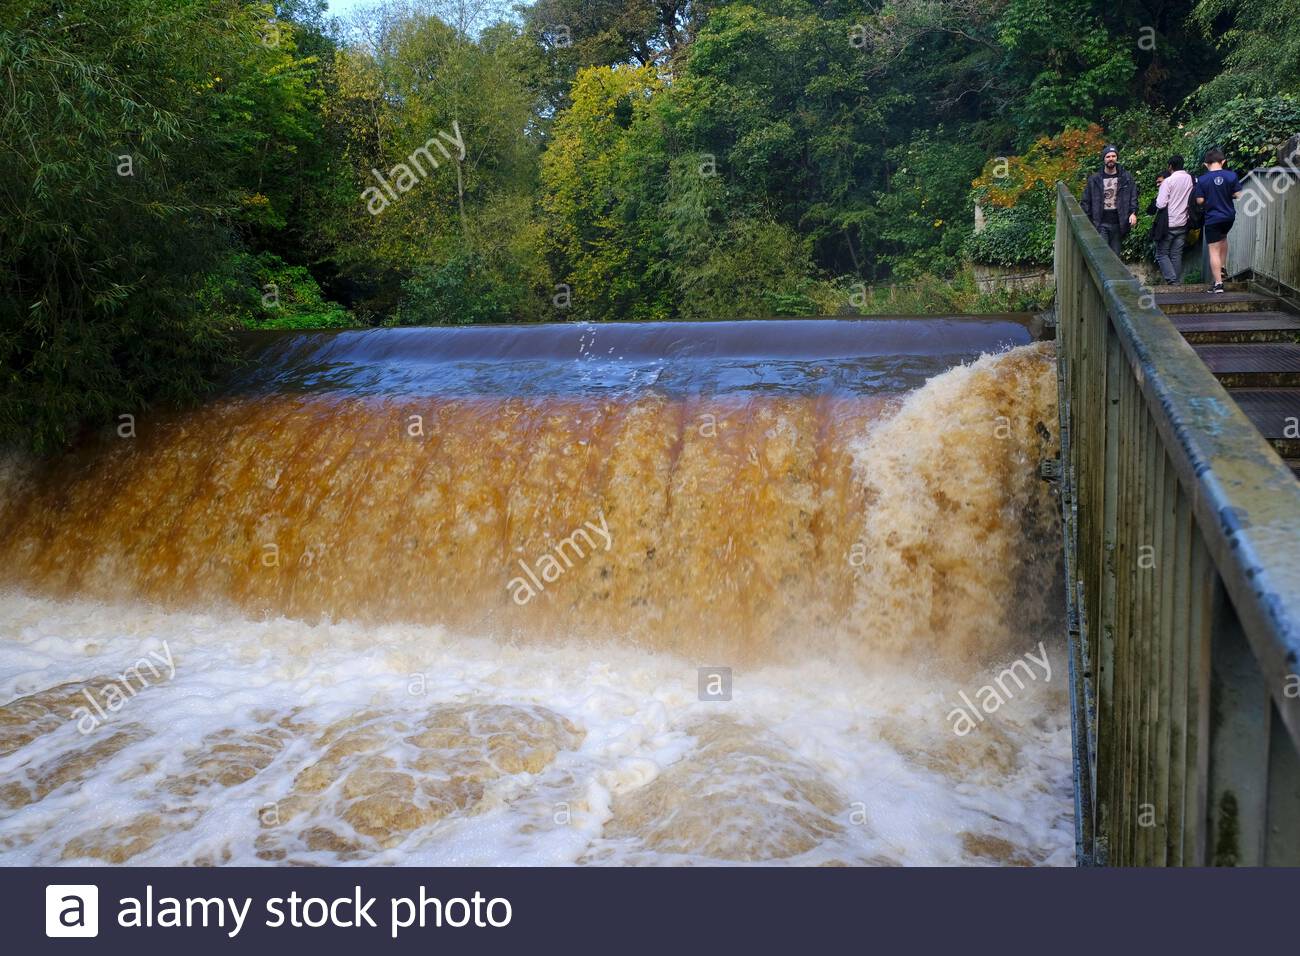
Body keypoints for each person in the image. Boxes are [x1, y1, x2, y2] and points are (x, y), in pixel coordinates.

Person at [1193, 148, 1242, 293]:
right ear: (1223, 162)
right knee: (1223, 239)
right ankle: (1222, 268)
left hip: (1213, 218)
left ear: (1205, 164)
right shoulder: (1231, 175)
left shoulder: (1202, 179)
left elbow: (1200, 200)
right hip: (1228, 217)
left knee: (1213, 250)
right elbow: (1238, 194)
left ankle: (1218, 284)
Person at [1082, 144, 1138, 256]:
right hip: (1100, 222)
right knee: (1103, 254)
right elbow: (1085, 201)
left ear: (1117, 158)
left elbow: (1133, 196)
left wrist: (1133, 213)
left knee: (1116, 255)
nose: (1111, 158)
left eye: (1113, 156)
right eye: (1108, 156)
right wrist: (1088, 221)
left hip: (1119, 222)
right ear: (1104, 159)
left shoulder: (1126, 177)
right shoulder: (1094, 179)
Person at [1154, 155, 1194, 285]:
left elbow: (1160, 204)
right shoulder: (1190, 179)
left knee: (1161, 253)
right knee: (1176, 254)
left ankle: (1172, 281)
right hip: (1184, 222)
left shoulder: (1168, 181)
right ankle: (1176, 283)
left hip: (1169, 223)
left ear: (1170, 166)